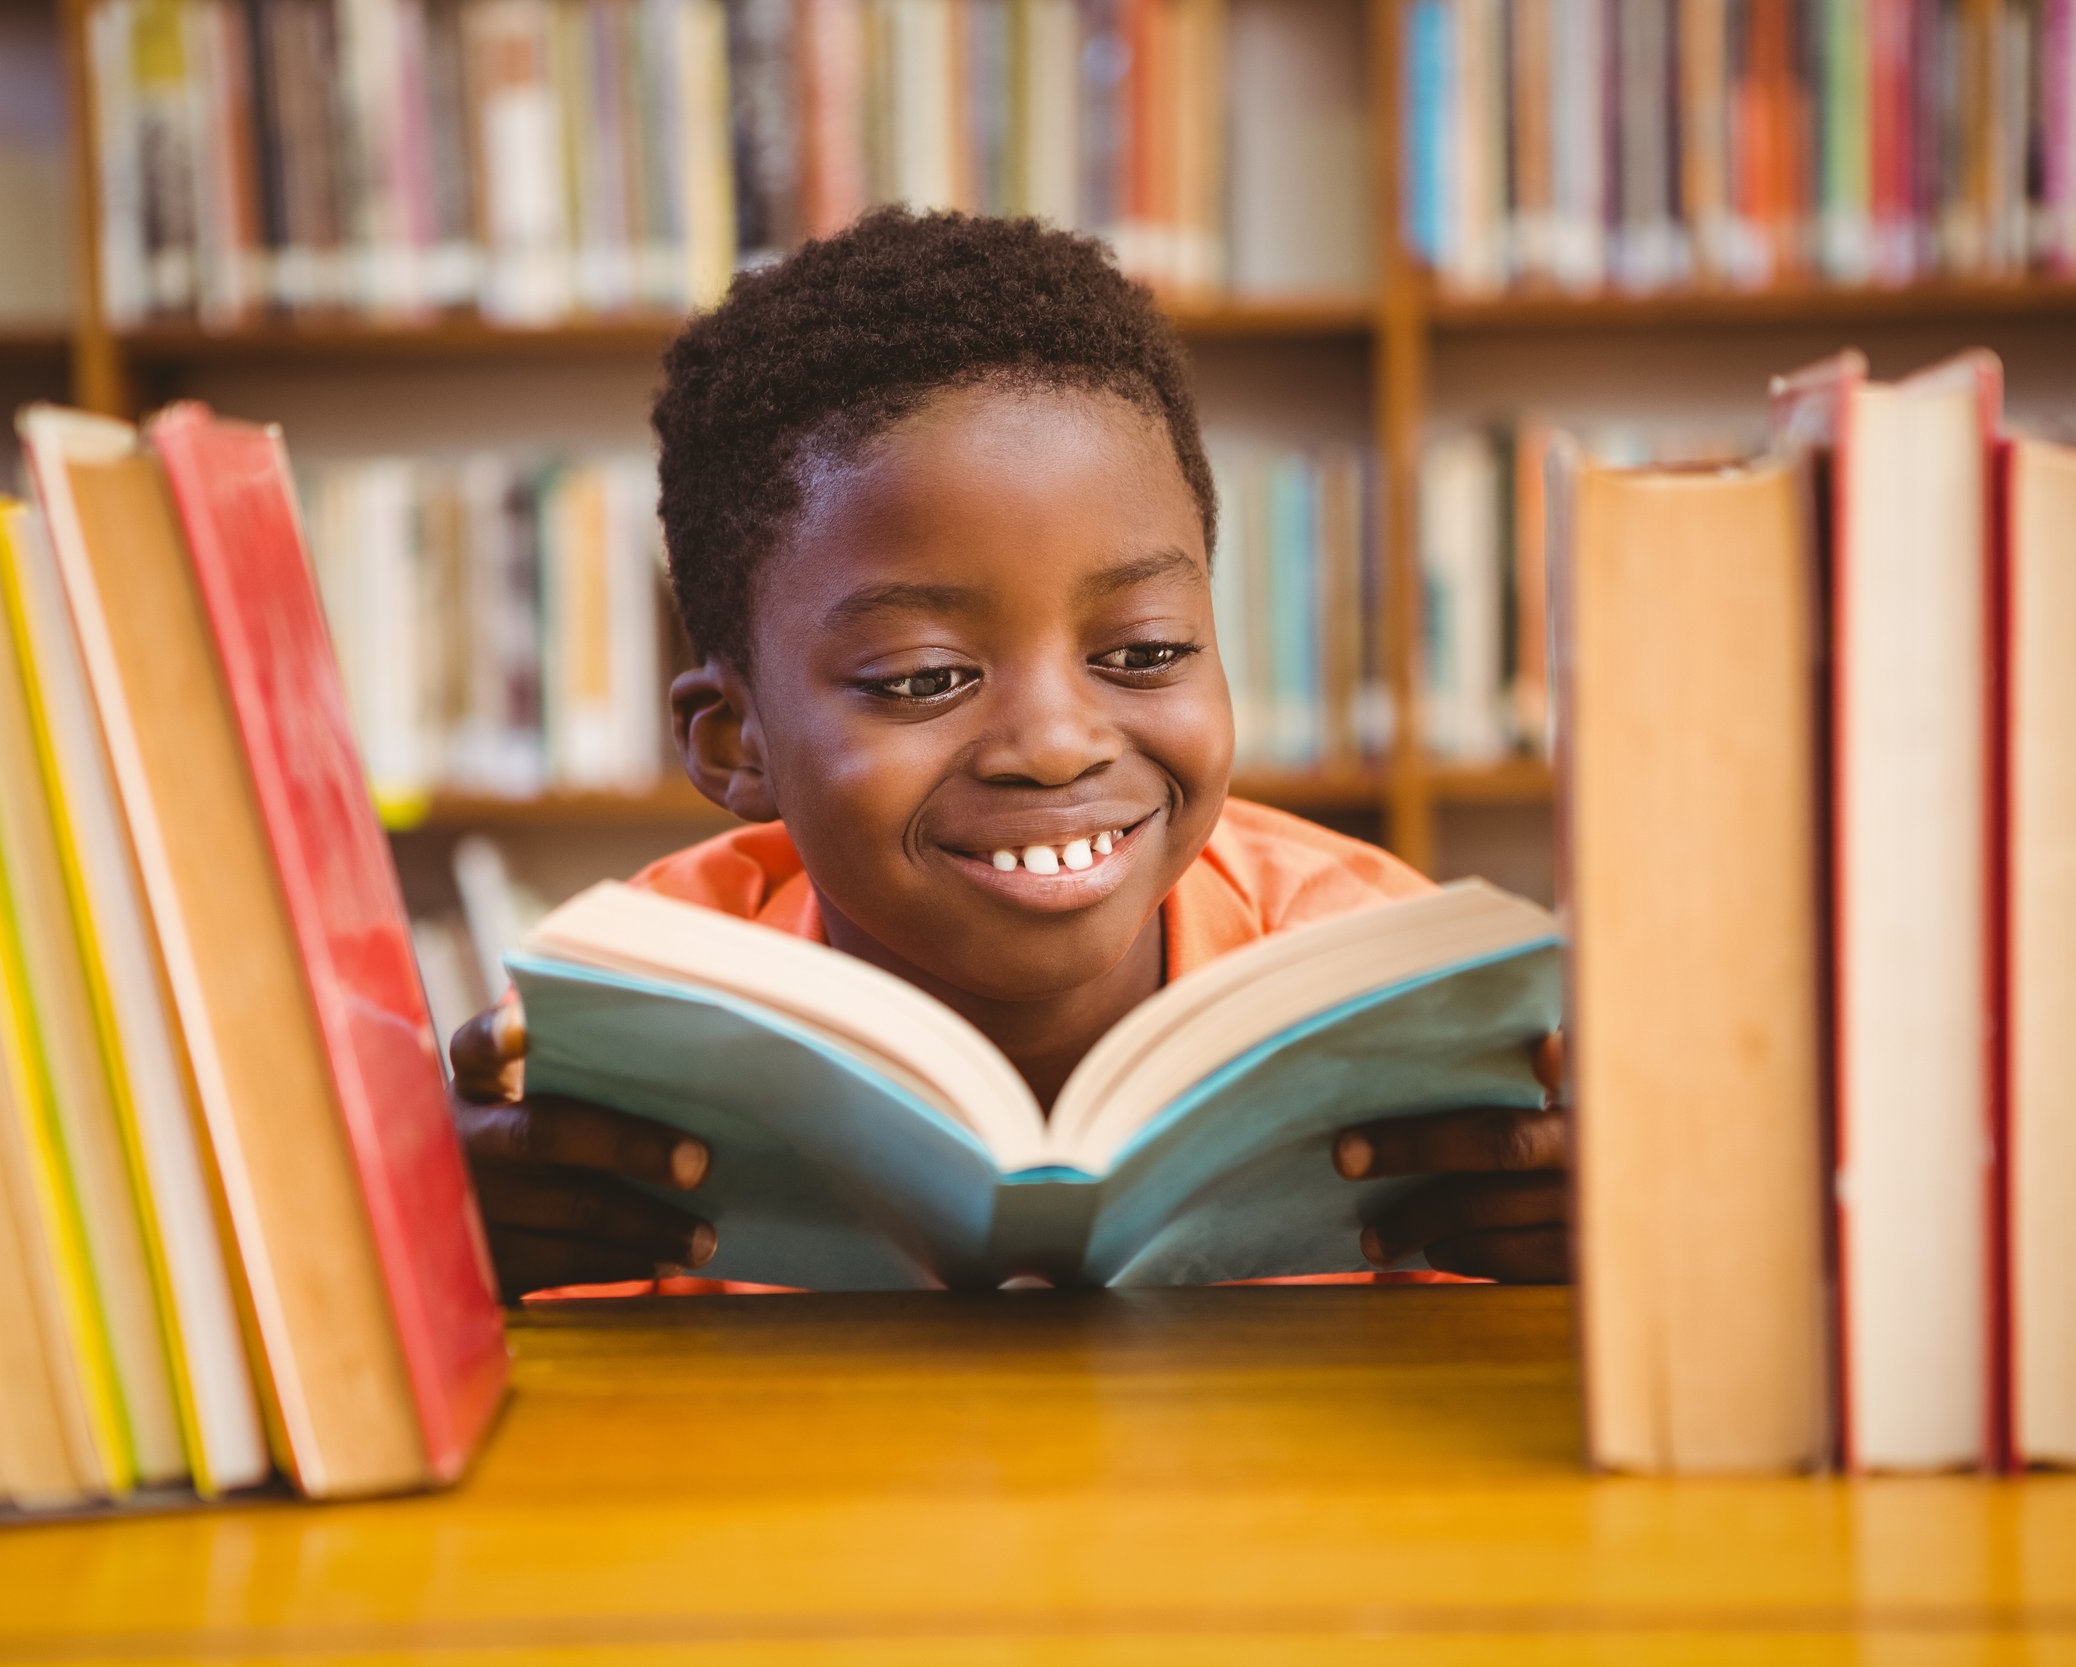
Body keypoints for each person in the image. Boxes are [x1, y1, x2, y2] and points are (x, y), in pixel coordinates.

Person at [447, 209, 1567, 1297]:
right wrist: (439, 1248)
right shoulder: (641, 1016)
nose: (1053, 745)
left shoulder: (1373, 971)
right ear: (737, 741)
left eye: (1144, 650)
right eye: (925, 677)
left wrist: (1588, 1231)